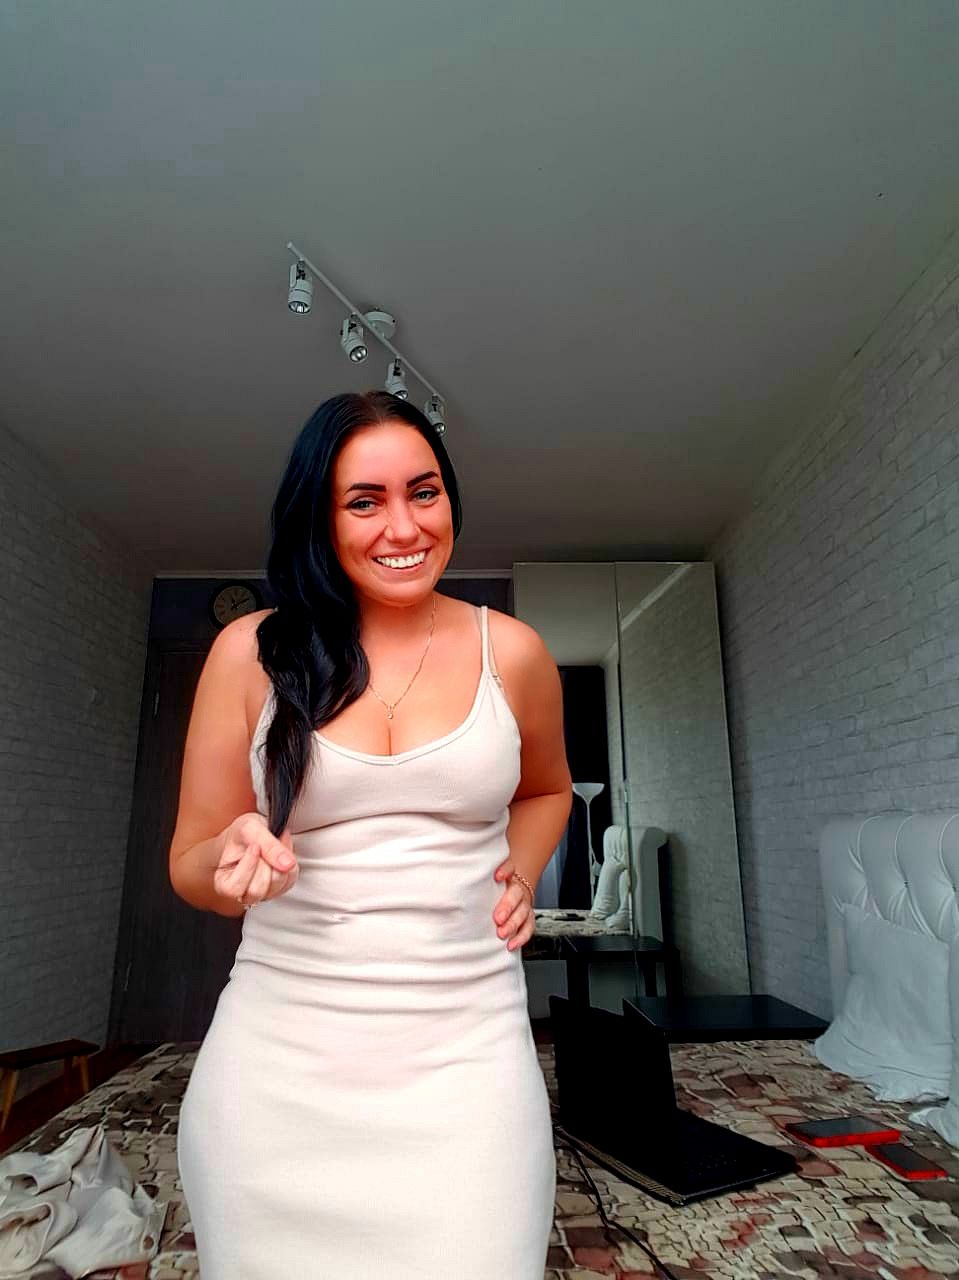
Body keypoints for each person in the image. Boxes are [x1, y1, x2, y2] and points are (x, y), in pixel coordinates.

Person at [170, 391, 572, 1278]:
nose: (404, 527)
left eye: (424, 492)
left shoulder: (513, 652)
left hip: (468, 1059)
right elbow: (190, 860)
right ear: (320, 517)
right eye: (364, 501)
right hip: (275, 1074)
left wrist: (520, 871)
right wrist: (231, 862)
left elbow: (547, 790)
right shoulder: (251, 652)